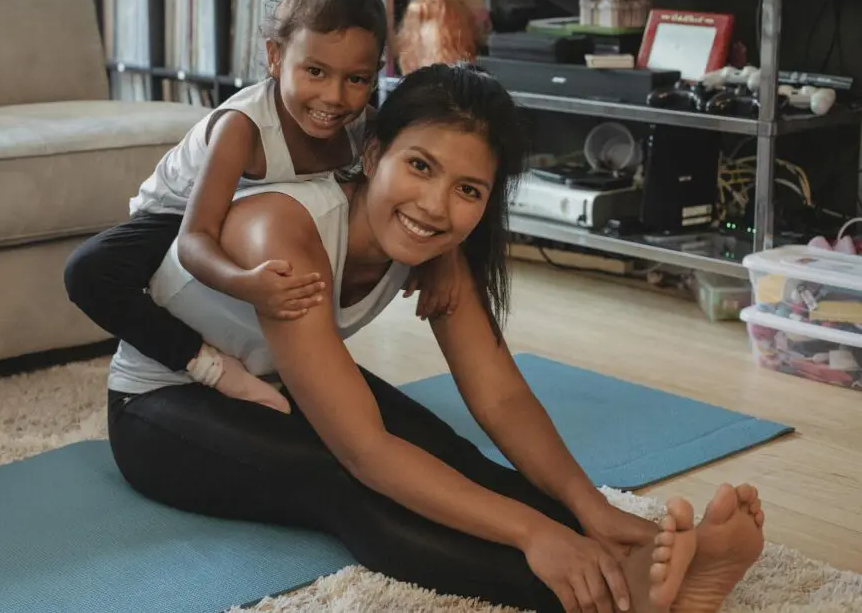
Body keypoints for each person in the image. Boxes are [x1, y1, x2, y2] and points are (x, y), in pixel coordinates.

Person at [103, 63, 766, 613]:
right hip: (161, 405)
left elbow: (500, 397)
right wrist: (535, 532)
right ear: (372, 153)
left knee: (449, 457)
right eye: (419, 166)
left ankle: (633, 556)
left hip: (272, 380)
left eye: (468, 189)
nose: (435, 206)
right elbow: (365, 452)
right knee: (347, 479)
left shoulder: (440, 250)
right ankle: (610, 596)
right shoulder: (285, 229)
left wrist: (587, 504)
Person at [63, 0, 460, 414]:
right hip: (175, 217)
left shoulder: (364, 130)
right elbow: (195, 239)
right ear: (275, 58)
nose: (334, 97)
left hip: (258, 223)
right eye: (314, 71)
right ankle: (208, 366)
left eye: (355, 79)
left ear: (375, 76)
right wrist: (244, 283)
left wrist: (443, 260)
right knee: (87, 272)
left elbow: (420, 186)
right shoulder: (244, 129)